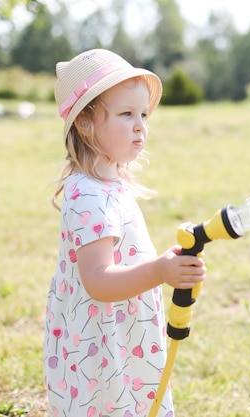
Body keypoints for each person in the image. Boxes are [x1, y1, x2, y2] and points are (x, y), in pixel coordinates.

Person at [44, 49, 206, 417]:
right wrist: (159, 272)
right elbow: (98, 281)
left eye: (144, 115)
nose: (140, 126)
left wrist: (169, 267)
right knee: (112, 405)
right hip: (101, 342)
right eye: (126, 114)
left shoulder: (110, 181)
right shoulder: (88, 194)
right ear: (85, 123)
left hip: (120, 329)